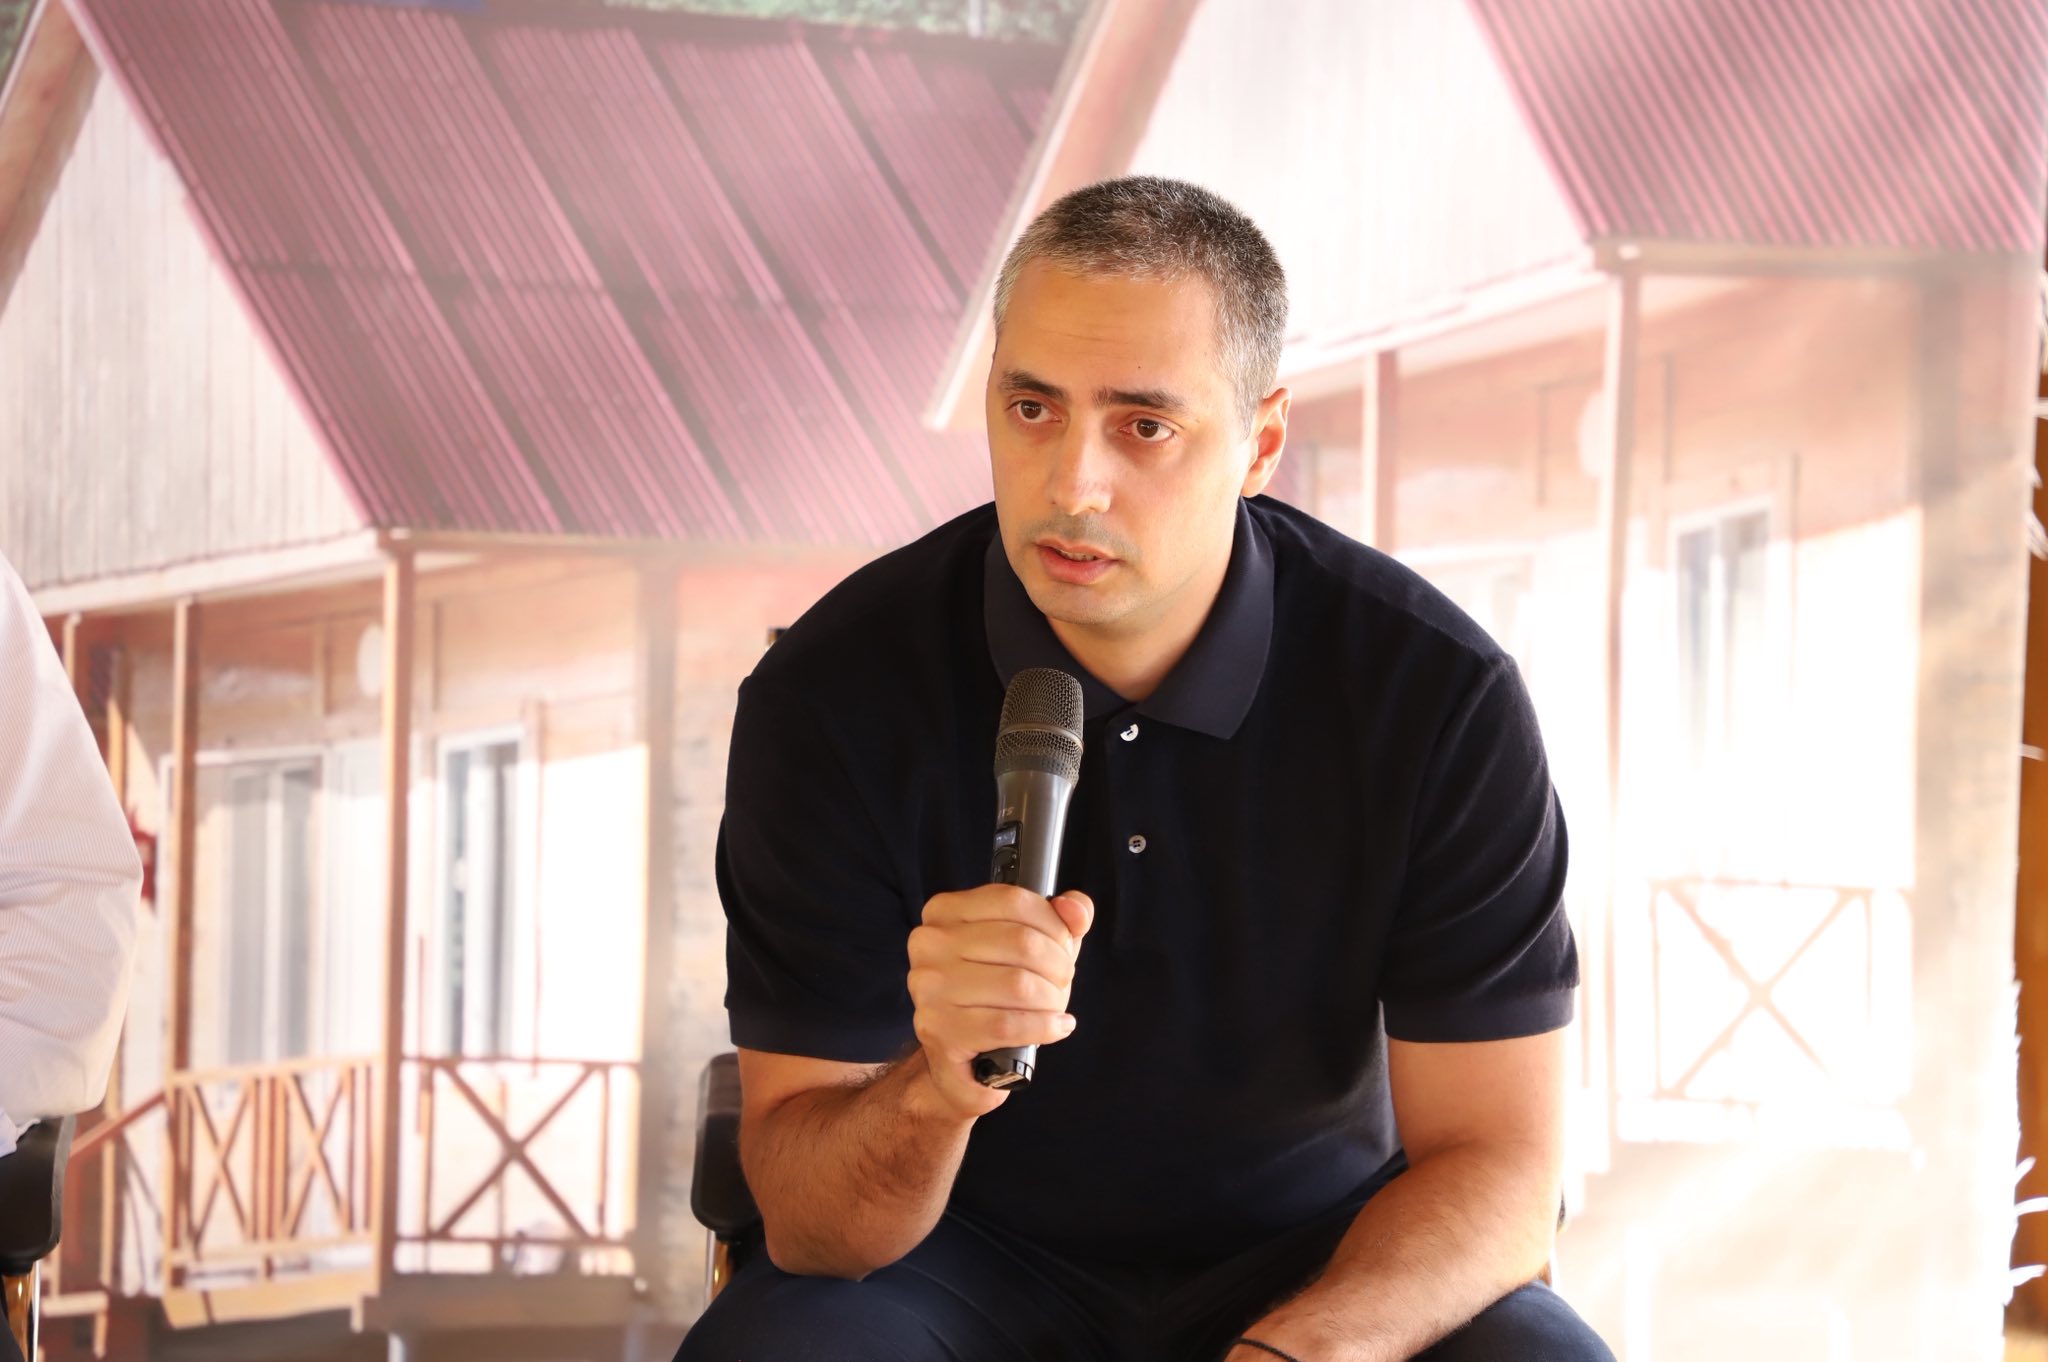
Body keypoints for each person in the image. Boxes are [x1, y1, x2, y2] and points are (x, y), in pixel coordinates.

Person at [675, 177, 1613, 1361]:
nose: (1071, 484)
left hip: (1318, 1250)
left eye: (1143, 426)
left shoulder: (1432, 695)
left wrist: (1301, 1351)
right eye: (1031, 408)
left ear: (1259, 442)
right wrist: (934, 1085)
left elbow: (1499, 1161)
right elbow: (816, 1229)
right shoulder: (831, 693)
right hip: (939, 1264)